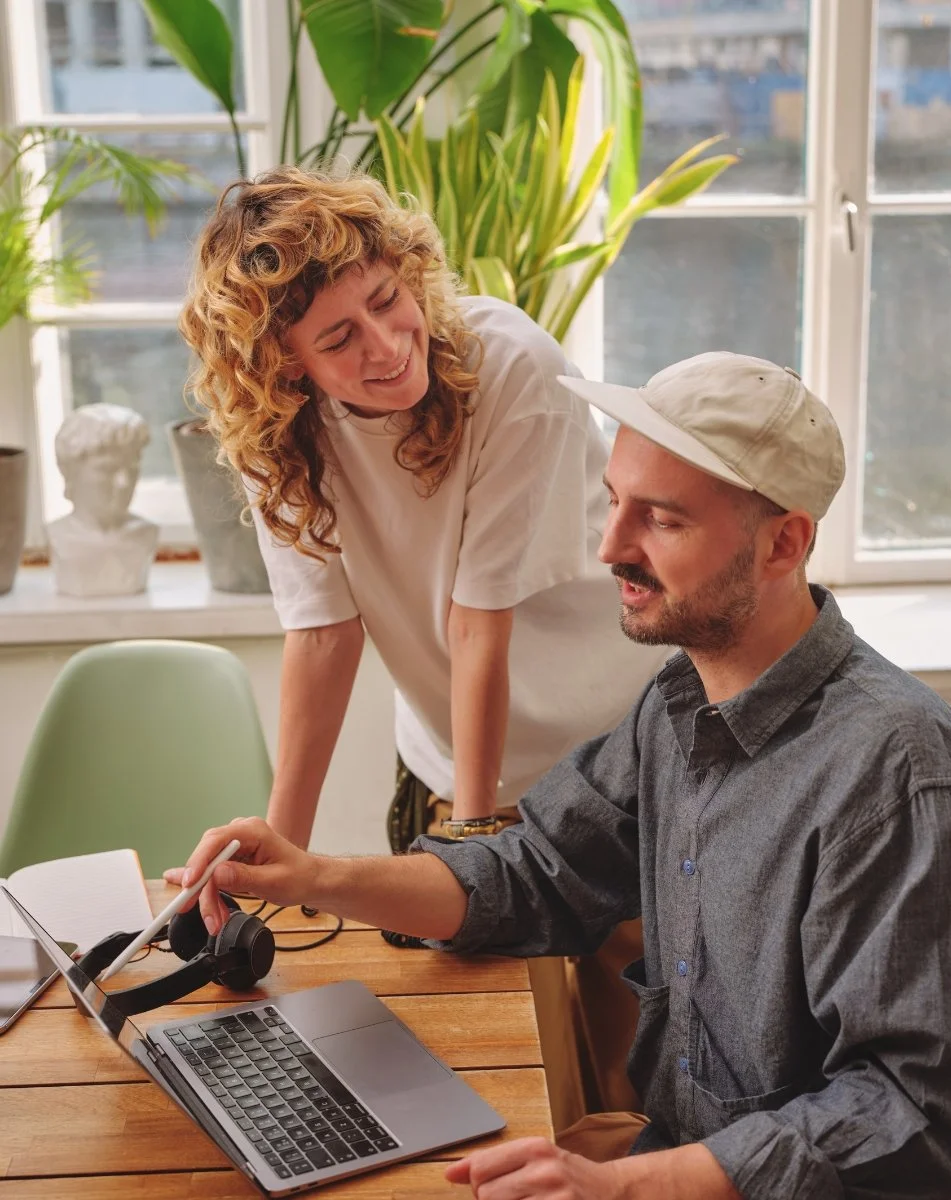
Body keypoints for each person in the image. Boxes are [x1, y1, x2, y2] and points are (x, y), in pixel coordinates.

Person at [179, 351, 951, 1199]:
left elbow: (918, 1110)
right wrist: (312, 875)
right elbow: (538, 872)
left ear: (783, 543)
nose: (611, 547)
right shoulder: (680, 703)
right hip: (669, 1149)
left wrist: (628, 1186)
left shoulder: (899, 777)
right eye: (614, 503)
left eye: (662, 520)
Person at [171, 166, 664, 1124]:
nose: (389, 345)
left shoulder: (510, 363)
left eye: (388, 302)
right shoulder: (278, 437)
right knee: (468, 1072)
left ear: (406, 271)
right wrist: (286, 859)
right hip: (445, 762)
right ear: (283, 367)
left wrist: (476, 856)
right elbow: (322, 636)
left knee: (620, 1083)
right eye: (338, 339)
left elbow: (479, 623)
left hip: (605, 761)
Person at [48, 402, 158, 597]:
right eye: (107, 469)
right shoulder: (58, 536)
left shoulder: (145, 533)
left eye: (132, 469)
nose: (124, 482)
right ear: (71, 472)